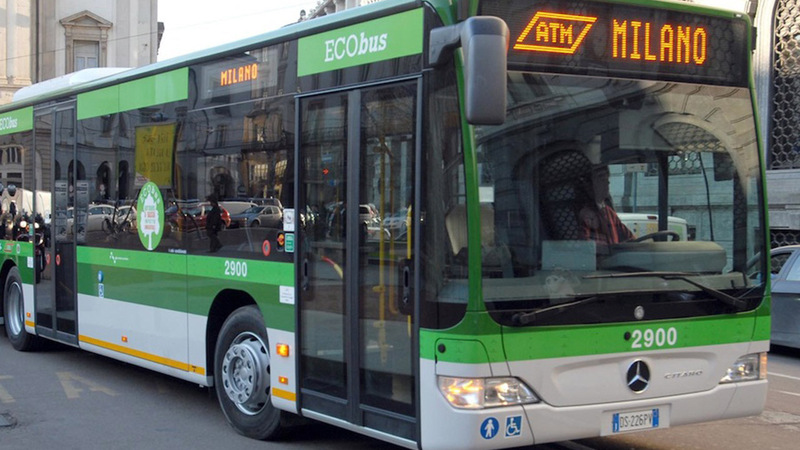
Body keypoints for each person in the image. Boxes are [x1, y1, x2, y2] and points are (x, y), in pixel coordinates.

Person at [577, 164, 634, 247]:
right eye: (601, 177)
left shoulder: (609, 213)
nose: (607, 182)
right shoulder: (583, 213)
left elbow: (630, 239)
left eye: (607, 177)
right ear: (588, 184)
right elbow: (586, 248)